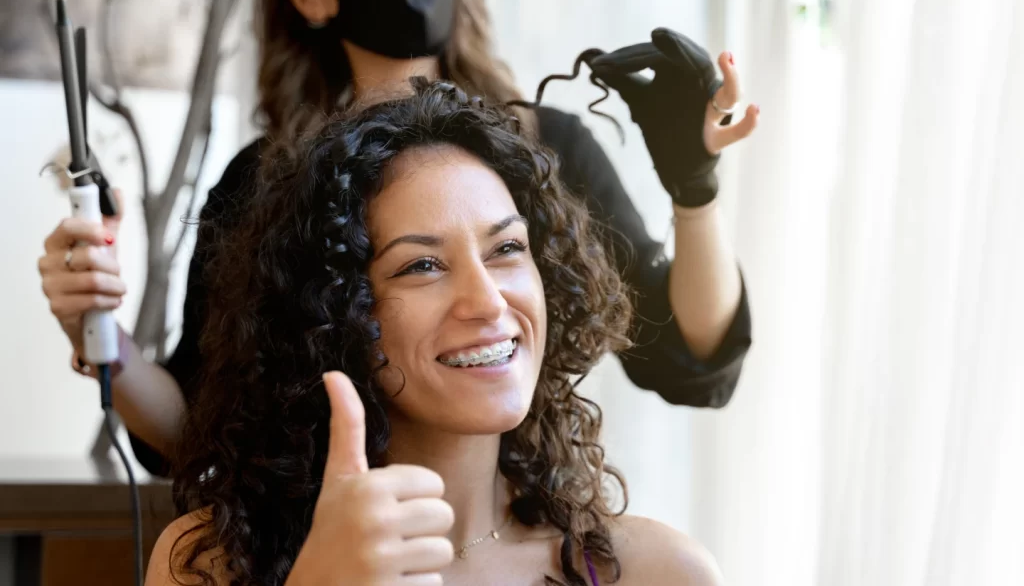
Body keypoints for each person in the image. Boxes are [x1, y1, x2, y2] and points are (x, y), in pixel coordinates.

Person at [36, 0, 757, 476]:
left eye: (505, 248)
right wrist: (102, 335)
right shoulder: (269, 182)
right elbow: (197, 428)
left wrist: (693, 191)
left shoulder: (549, 149)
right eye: (420, 265)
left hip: (535, 522)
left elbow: (690, 356)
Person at [145, 78, 725, 586]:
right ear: (333, 312)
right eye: (422, 265)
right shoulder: (206, 564)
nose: (488, 300)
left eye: (506, 249)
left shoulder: (660, 572)